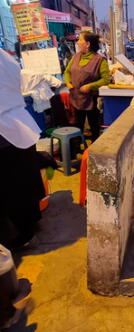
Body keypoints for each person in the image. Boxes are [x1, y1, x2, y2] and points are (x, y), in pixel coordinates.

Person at [0, 48, 45, 250]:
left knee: (14, 188)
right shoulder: (4, 55)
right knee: (28, 179)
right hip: (19, 123)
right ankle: (32, 222)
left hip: (5, 132)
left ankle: (24, 235)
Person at [64, 31, 110, 143]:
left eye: (80, 40)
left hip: (91, 99)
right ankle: (78, 148)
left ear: (87, 44)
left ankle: (94, 149)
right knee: (77, 126)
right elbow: (67, 72)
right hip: (76, 97)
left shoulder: (100, 60)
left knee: (94, 126)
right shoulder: (76, 56)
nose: (78, 42)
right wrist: (68, 82)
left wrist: (90, 86)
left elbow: (106, 79)